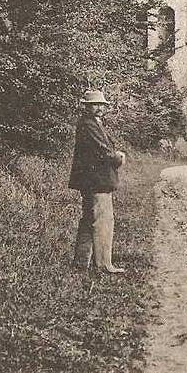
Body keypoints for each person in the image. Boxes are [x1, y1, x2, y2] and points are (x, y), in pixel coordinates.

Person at [69, 89, 127, 274]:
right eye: (95, 104)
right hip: (97, 180)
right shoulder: (89, 124)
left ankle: (81, 262)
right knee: (103, 221)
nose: (100, 107)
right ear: (87, 107)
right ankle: (104, 264)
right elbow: (102, 149)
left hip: (90, 180)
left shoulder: (90, 123)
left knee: (89, 219)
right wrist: (117, 158)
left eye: (102, 104)